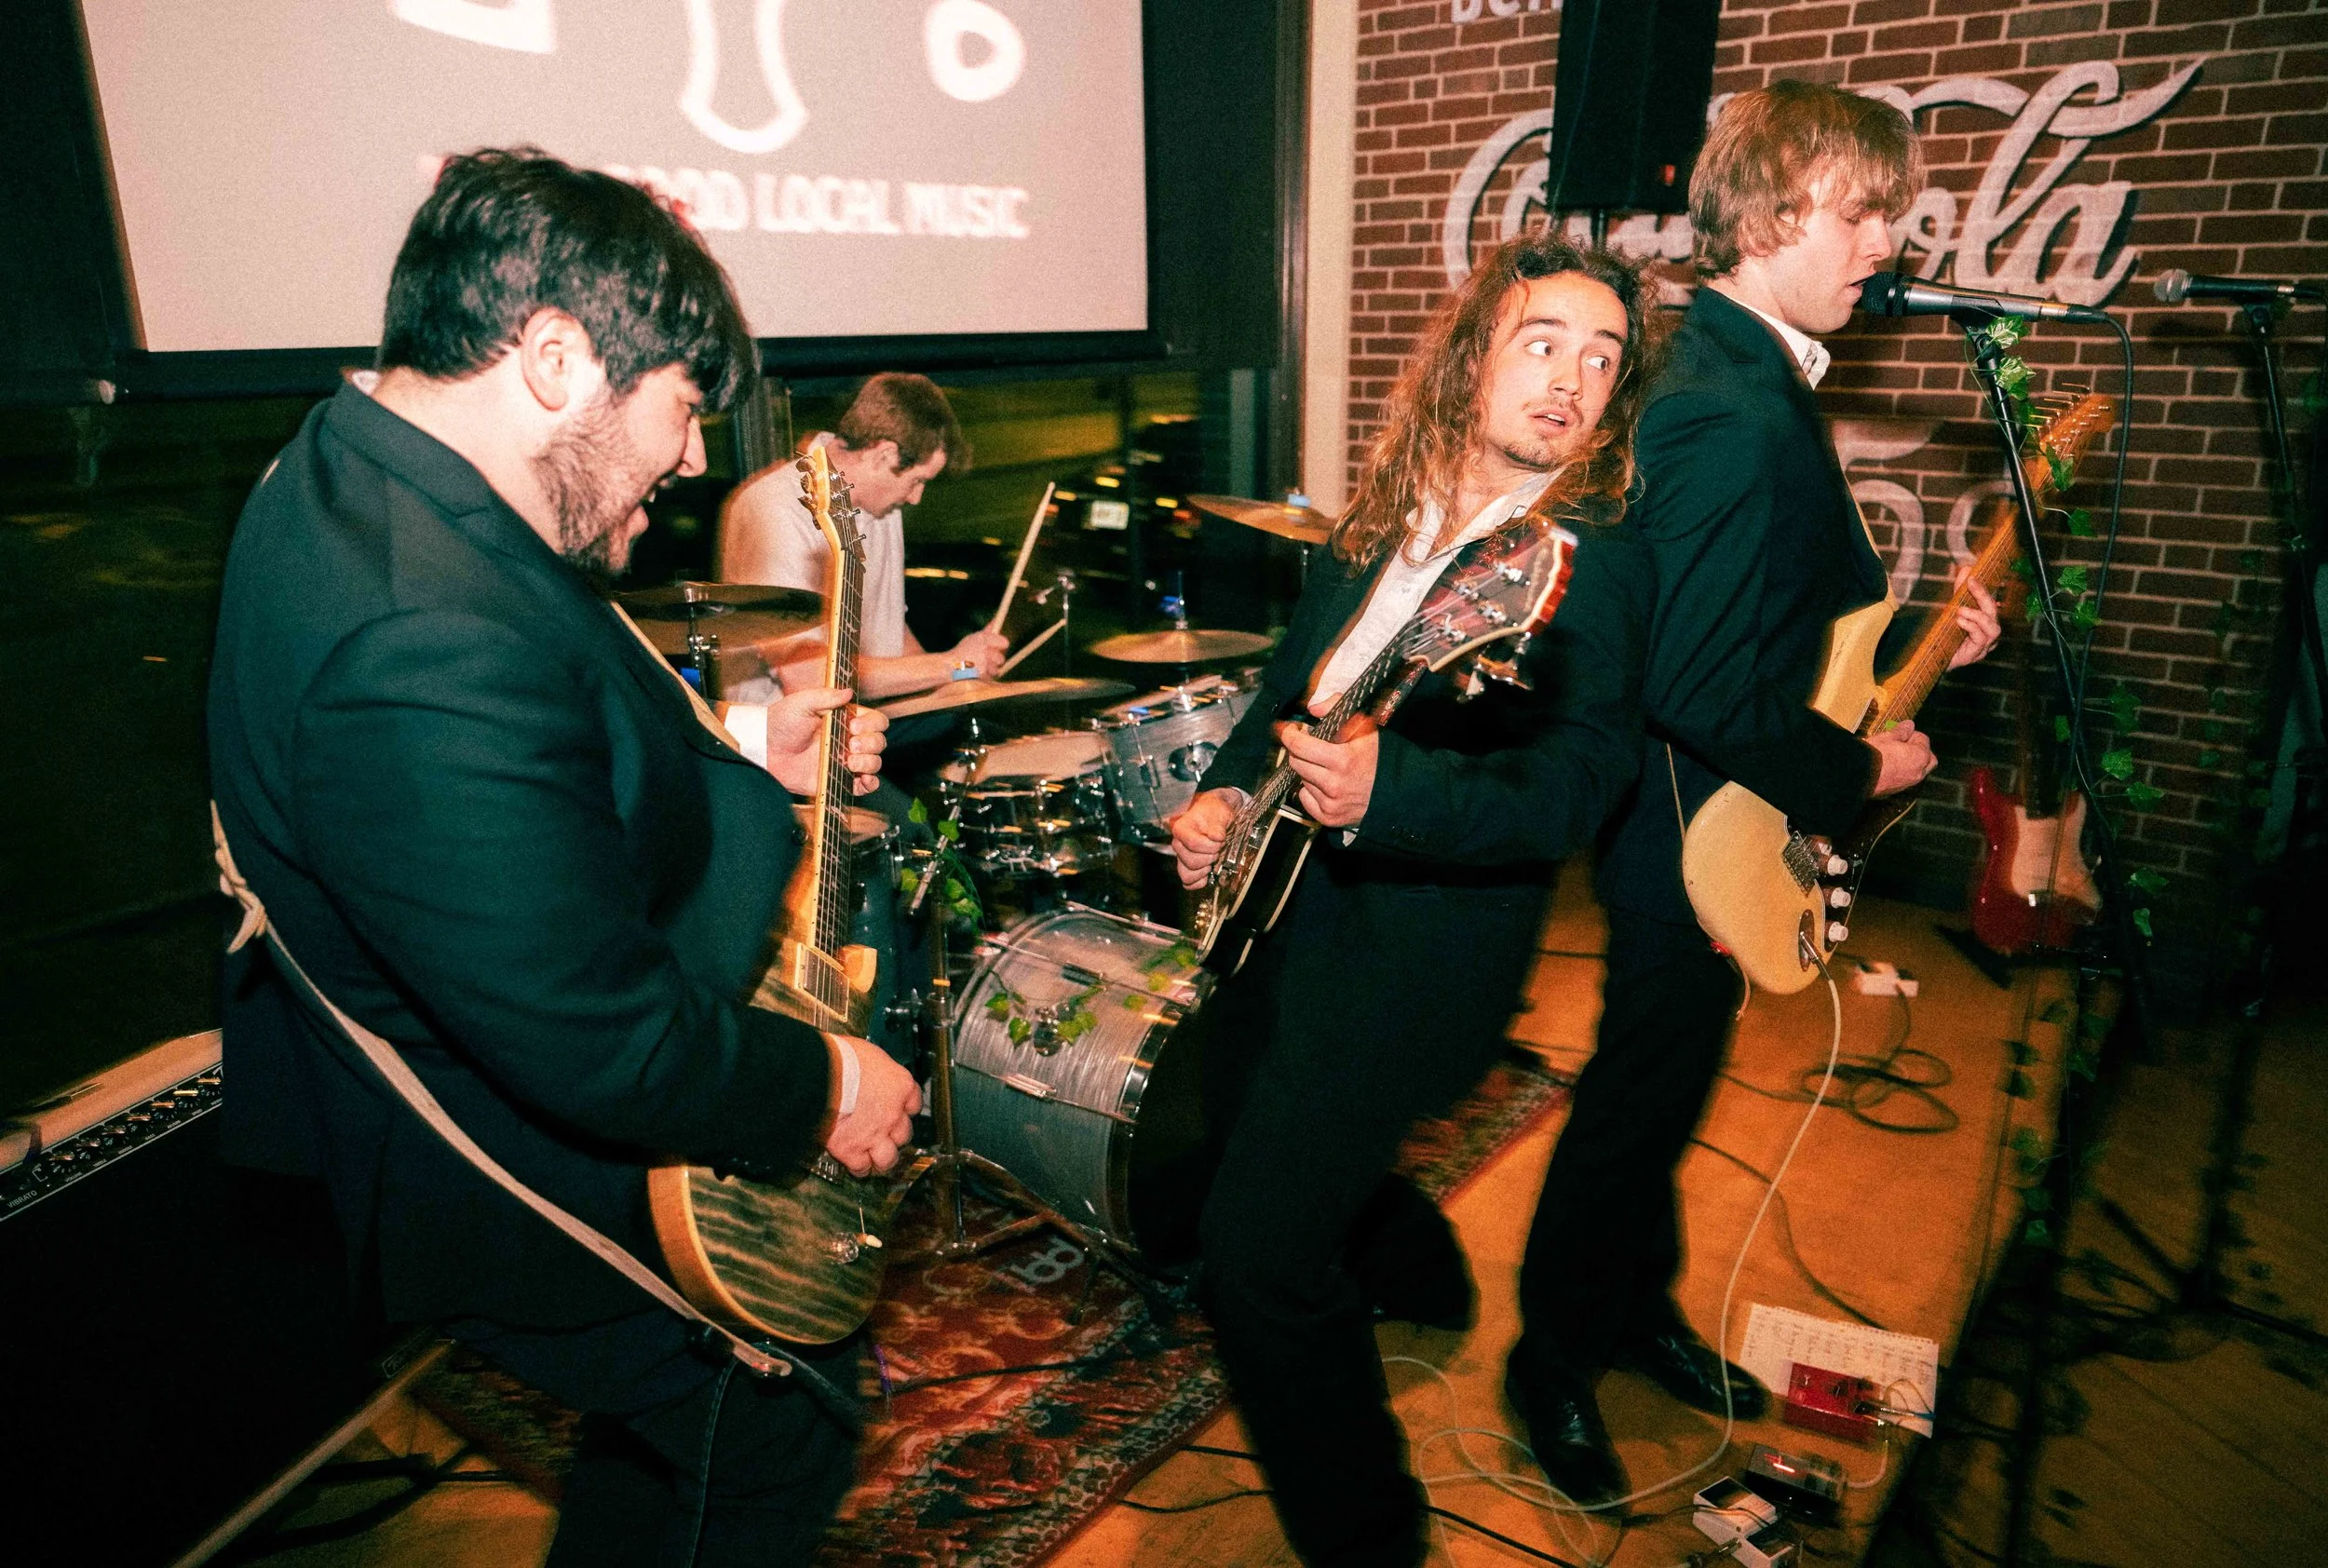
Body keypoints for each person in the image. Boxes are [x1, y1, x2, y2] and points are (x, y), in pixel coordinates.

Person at [208, 148, 921, 1566]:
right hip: (530, 1166)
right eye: (682, 407)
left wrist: (739, 751)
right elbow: (597, 1039)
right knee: (775, 1428)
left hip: (537, 1086)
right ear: (553, 358)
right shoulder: (410, 633)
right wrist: (825, 1083)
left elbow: (534, 748)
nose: (698, 456)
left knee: (672, 1441)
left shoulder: (373, 466)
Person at [1503, 82, 2002, 1507]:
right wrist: (1859, 767)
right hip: (1689, 834)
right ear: (1782, 210)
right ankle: (1549, 1362)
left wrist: (1919, 655)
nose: (1886, 247)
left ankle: (1630, 1311)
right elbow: (1695, 681)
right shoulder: (1728, 398)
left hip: (1716, 814)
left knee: (1663, 1098)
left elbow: (1771, 629)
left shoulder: (1740, 364)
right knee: (1632, 1108)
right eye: (1865, 215)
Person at [1168, 236, 1658, 1568]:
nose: (1572, 380)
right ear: (1473, 358)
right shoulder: (1395, 508)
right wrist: (1218, 796)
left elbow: (1573, 791)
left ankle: (1373, 1542)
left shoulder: (1584, 562)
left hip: (1420, 949)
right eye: (1543, 341)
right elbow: (1294, 682)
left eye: (1602, 359)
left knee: (1256, 1255)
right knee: (1239, 1142)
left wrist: (1392, 800)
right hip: (1286, 904)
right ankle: (1416, 1266)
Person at [717, 372, 1008, 700]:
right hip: (783, 741)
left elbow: (891, 635)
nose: (916, 498)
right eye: (917, 481)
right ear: (882, 455)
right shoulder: (776, 510)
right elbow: (812, 678)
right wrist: (955, 664)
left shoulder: (879, 505)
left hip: (865, 722)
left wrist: (963, 680)